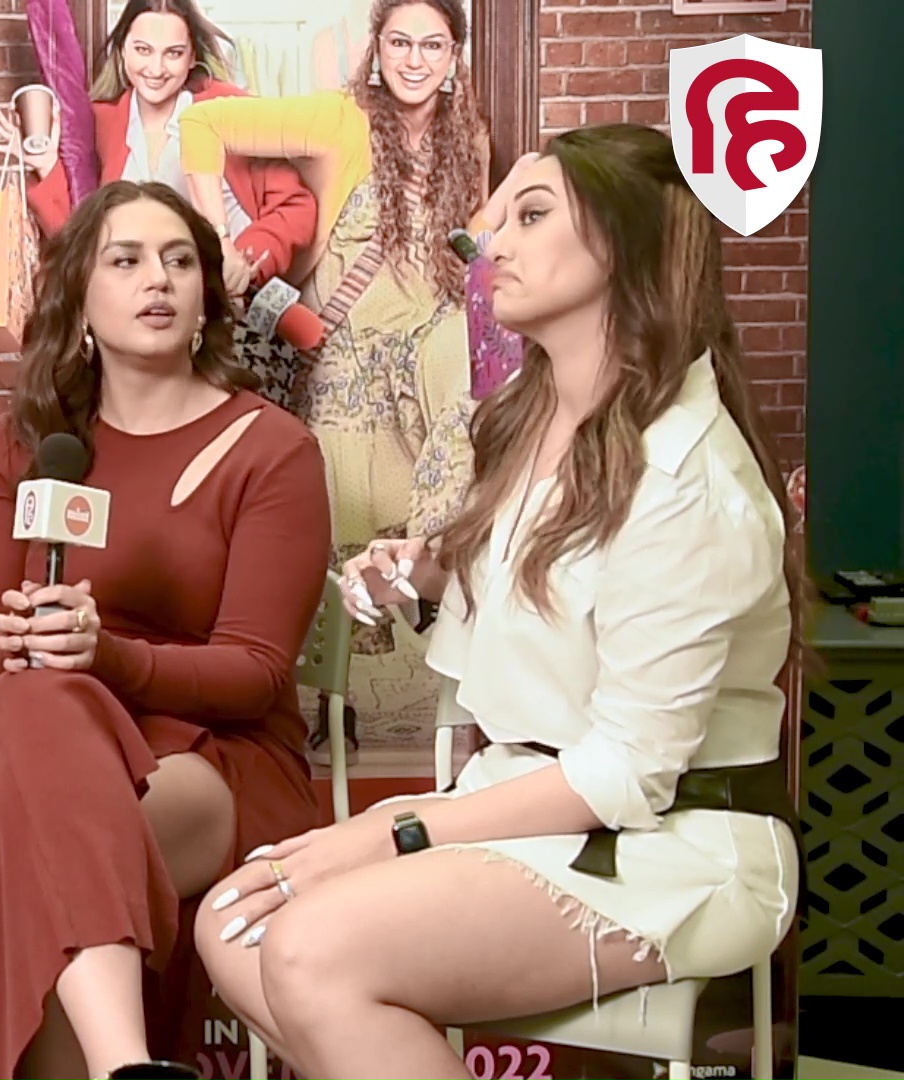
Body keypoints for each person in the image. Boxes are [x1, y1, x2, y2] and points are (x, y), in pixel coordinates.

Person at [193, 124, 804, 1080]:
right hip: (527, 801)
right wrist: (432, 570)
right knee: (234, 922)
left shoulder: (687, 478)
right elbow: (550, 580)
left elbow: (625, 775)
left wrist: (389, 831)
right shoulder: (532, 419)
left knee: (309, 949)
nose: (490, 239)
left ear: (623, 243)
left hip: (667, 847)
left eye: (532, 214)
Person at [0, 180, 332, 1080]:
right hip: (45, 753)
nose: (156, 279)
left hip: (212, 759)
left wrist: (105, 656)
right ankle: (129, 1067)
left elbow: (256, 673)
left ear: (205, 298)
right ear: (80, 296)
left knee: (33, 846)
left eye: (179, 261)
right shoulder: (22, 446)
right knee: (27, 705)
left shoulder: (272, 448)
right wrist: (23, 645)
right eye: (125, 260)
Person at [178, 0, 491, 760]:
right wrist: (219, 240)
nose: (415, 60)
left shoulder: (470, 138)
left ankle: (449, 700)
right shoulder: (337, 120)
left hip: (432, 356)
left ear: (454, 57)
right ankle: (333, 707)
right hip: (349, 358)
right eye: (400, 42)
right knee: (341, 517)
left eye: (433, 46)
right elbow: (202, 126)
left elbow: (470, 243)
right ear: (376, 49)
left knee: (456, 488)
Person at [0, 0, 317, 303]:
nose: (156, 69)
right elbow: (76, 244)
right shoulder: (100, 124)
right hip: (142, 315)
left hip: (226, 309)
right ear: (123, 50)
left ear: (192, 57)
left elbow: (296, 207)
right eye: (143, 50)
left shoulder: (229, 110)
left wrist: (246, 260)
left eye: (173, 53)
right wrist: (46, 166)